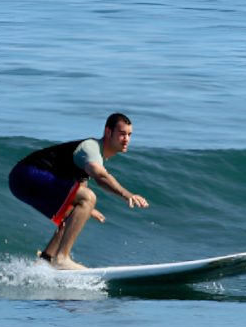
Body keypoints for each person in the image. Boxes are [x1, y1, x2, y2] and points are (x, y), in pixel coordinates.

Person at [8, 113, 149, 269]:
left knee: (73, 215)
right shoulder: (91, 147)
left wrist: (87, 209)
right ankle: (62, 258)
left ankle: (45, 261)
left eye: (129, 135)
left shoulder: (93, 156)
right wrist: (126, 194)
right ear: (108, 132)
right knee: (88, 197)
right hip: (27, 174)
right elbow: (100, 176)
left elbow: (80, 187)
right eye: (122, 134)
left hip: (20, 180)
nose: (127, 139)